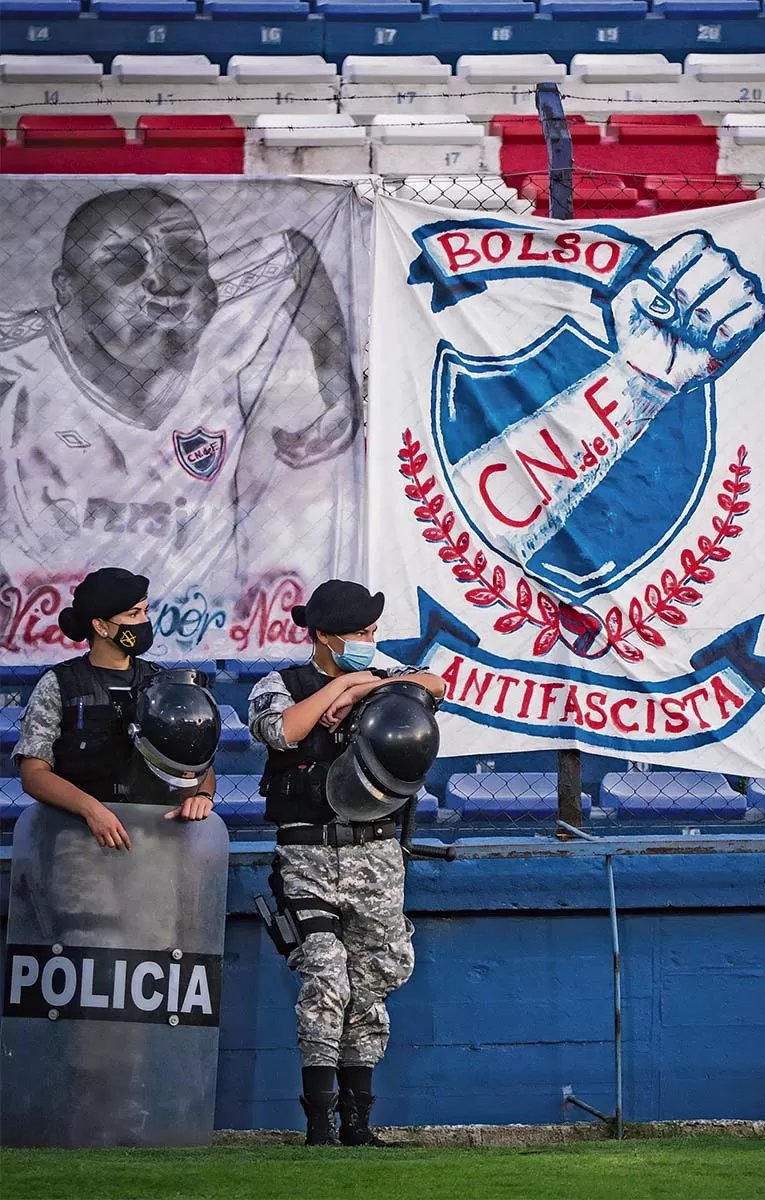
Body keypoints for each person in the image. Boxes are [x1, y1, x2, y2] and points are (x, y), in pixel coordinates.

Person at [0, 185, 359, 592]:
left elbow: (295, 255)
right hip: (49, 610)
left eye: (187, 256)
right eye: (122, 261)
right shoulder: (21, 352)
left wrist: (339, 392)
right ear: (66, 287)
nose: (166, 281)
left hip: (197, 612)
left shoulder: (221, 313)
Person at [248, 580, 445, 1147]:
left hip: (375, 854)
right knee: (326, 976)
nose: (368, 639)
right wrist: (343, 686)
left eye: (371, 630)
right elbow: (281, 731)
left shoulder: (386, 679)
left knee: (371, 981)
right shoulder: (281, 685)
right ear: (323, 635)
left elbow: (435, 684)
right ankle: (319, 1123)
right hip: (307, 854)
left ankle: (358, 1124)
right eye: (358, 632)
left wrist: (363, 683)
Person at [14, 566, 216, 849]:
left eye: (145, 612)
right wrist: (90, 809)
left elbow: (197, 768)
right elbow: (34, 774)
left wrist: (202, 797)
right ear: (101, 626)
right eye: (133, 614)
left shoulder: (164, 685)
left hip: (153, 840)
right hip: (78, 840)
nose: (144, 621)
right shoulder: (60, 684)